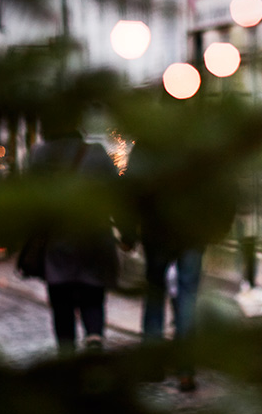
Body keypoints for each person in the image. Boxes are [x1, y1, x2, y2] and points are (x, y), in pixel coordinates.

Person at [125, 139, 236, 392]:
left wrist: (128, 232)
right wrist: (220, 228)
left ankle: (153, 365)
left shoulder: (149, 143)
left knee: (155, 295)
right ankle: (185, 369)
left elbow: (131, 190)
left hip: (157, 232)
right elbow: (224, 187)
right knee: (188, 297)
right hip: (192, 234)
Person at [27, 127, 126, 354]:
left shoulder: (40, 155)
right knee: (93, 295)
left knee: (61, 302)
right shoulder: (97, 153)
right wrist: (127, 232)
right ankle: (94, 338)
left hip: (58, 239)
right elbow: (118, 195)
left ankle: (67, 352)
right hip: (95, 238)